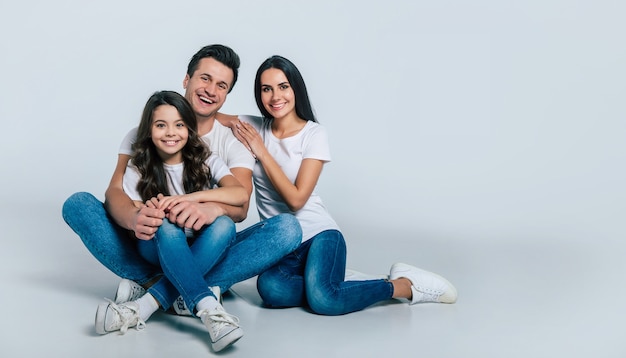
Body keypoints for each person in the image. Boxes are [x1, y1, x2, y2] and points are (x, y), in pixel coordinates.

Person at [61, 45, 302, 341]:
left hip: (206, 242)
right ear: (187, 79)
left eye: (221, 85)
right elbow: (115, 192)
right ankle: (197, 292)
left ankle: (151, 294)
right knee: (79, 205)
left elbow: (239, 206)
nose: (211, 90)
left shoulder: (228, 142)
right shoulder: (145, 133)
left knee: (285, 228)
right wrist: (136, 217)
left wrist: (210, 207)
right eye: (205, 78)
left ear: (226, 94)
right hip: (154, 239)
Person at [230, 55, 458, 315]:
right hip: (286, 248)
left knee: (325, 301)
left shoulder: (313, 134)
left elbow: (296, 199)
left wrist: (261, 150)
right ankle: (331, 281)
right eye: (266, 89)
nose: (275, 96)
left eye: (283, 86)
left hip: (320, 235)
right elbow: (209, 117)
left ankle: (404, 286)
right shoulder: (253, 126)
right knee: (271, 289)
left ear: (295, 88)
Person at [95, 90, 246, 350]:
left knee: (225, 224)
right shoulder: (139, 165)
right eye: (160, 125)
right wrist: (147, 211)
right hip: (156, 245)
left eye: (179, 125)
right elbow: (130, 205)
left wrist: (189, 199)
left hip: (197, 246)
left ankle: (145, 304)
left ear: (189, 128)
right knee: (167, 225)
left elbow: (240, 193)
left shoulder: (207, 159)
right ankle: (208, 306)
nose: (170, 133)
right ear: (149, 130)